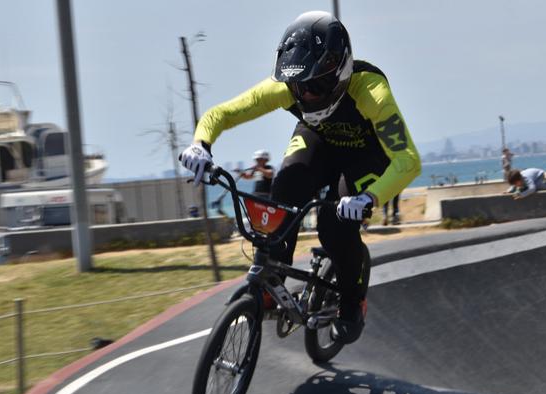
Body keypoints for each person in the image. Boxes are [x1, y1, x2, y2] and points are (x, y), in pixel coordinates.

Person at [179, 11, 421, 344]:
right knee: (285, 187)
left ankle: (352, 301)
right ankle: (273, 277)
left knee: (334, 226)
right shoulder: (286, 88)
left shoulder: (371, 92)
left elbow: (408, 160)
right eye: (298, 86)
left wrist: (369, 198)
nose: (305, 95)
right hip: (320, 141)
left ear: (342, 70)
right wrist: (200, 145)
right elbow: (222, 114)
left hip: (366, 155)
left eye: (317, 85)